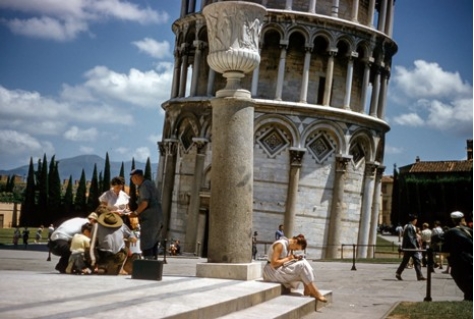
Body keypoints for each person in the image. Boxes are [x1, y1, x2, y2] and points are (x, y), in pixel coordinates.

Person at [263, 234, 327, 303]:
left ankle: (307, 289)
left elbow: (284, 260)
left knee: (303, 262)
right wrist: (288, 258)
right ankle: (315, 292)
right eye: (296, 248)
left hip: (279, 269)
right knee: (302, 266)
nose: (295, 250)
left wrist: (294, 259)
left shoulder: (288, 246)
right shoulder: (280, 245)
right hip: (271, 271)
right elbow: (273, 263)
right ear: (295, 241)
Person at [90, 207, 137, 275]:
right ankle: (120, 268)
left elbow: (92, 241)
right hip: (119, 254)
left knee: (89, 245)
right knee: (126, 245)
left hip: (104, 253)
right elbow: (131, 236)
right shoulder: (122, 225)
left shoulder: (97, 225)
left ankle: (100, 265)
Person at [438, 211, 473, 301]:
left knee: (463, 281)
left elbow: (443, 246)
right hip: (470, 260)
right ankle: (469, 297)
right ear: (462, 219)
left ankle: (469, 296)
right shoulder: (468, 230)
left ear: (452, 220)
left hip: (458, 261)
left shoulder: (450, 232)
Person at [129, 169, 163, 259]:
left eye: (132, 178)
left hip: (149, 219)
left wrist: (135, 213)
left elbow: (145, 203)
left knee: (147, 242)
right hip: (157, 217)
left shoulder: (144, 186)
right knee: (153, 242)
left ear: (136, 177)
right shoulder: (150, 183)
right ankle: (153, 263)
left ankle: (147, 263)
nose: (132, 180)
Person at [395, 214, 426, 281]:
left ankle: (398, 273)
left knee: (407, 261)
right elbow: (410, 238)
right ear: (414, 220)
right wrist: (415, 247)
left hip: (410, 247)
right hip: (411, 248)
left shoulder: (410, 226)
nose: (416, 221)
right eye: (416, 220)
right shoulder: (410, 227)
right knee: (416, 261)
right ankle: (419, 276)